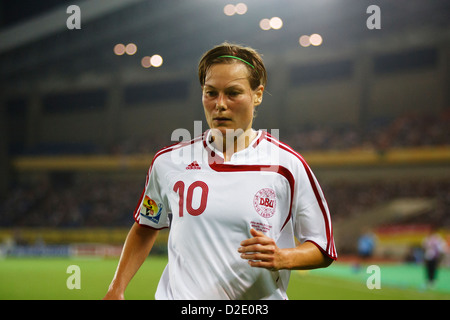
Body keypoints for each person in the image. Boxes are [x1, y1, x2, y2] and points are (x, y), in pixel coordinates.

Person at [104, 43, 337, 300]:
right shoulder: (168, 162)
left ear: (257, 94)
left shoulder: (287, 166)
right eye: (211, 93)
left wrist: (284, 257)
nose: (220, 104)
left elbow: (322, 247)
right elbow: (146, 225)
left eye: (233, 93)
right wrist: (117, 287)